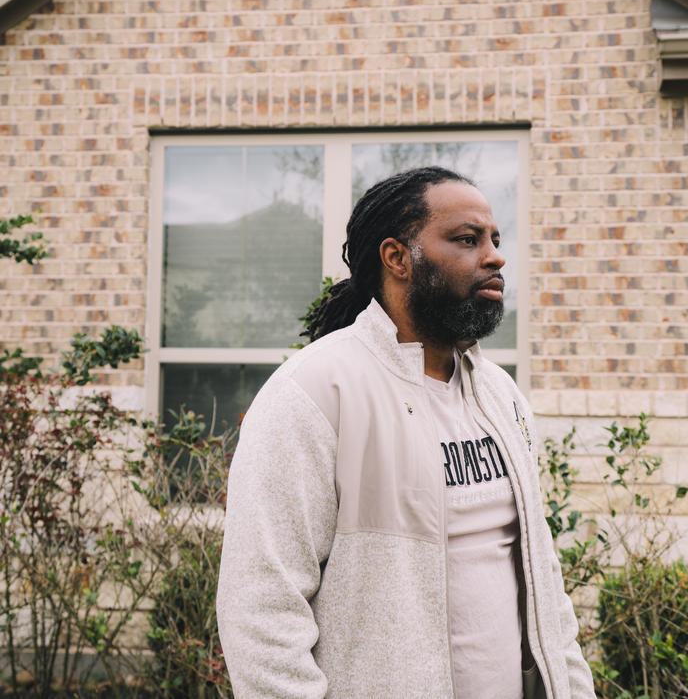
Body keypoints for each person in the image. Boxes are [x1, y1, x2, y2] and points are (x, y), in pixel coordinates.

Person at [216, 166, 596, 698]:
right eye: (467, 240)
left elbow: (544, 584)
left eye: (495, 239)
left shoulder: (501, 397)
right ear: (397, 258)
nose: (494, 256)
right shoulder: (315, 393)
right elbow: (260, 608)